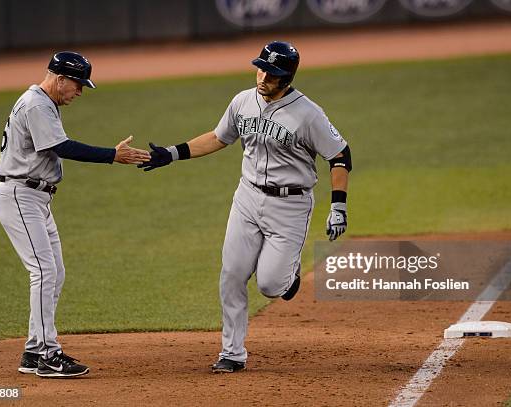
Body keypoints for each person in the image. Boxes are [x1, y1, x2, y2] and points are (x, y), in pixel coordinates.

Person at [139, 41, 352, 373]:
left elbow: (340, 155)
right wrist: (171, 153)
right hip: (247, 198)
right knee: (232, 274)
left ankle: (289, 276)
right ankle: (232, 353)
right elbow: (218, 137)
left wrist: (338, 206)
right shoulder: (242, 101)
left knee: (270, 284)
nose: (263, 75)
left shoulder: (309, 114)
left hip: (290, 206)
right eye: (261, 67)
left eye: (272, 72)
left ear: (288, 76)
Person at [0, 51, 150, 378]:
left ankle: (34, 349)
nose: (79, 92)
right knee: (44, 271)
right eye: (77, 85)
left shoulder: (40, 101)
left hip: (36, 199)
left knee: (55, 271)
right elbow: (61, 146)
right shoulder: (37, 104)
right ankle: (49, 356)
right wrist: (112, 155)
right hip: (21, 195)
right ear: (60, 78)